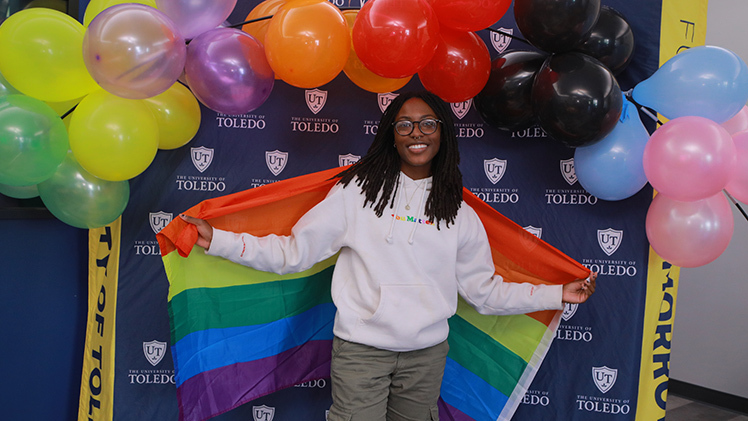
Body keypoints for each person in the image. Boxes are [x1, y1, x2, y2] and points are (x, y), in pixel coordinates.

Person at [180, 91, 597, 421]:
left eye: (428, 124)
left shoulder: (460, 214)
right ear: (392, 135)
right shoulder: (356, 194)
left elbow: (484, 293)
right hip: (361, 350)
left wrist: (557, 294)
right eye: (405, 125)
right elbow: (293, 253)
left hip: (426, 356)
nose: (417, 133)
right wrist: (218, 239)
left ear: (442, 134)